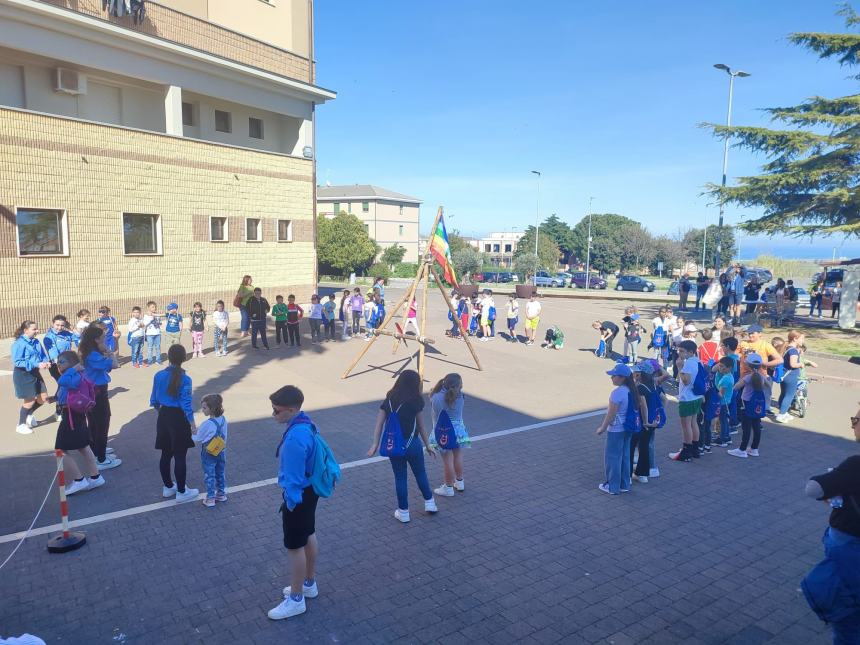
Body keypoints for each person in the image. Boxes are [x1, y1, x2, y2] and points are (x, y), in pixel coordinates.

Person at [801, 409, 860, 644]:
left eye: (856, 420)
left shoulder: (855, 465)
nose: (852, 425)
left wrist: (835, 481)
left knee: (848, 627)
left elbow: (814, 488)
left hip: (850, 546)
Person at [268, 385, 322, 620]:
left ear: (291, 410)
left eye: (277, 411)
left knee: (294, 546)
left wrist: (290, 503)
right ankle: (309, 583)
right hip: (311, 491)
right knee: (308, 533)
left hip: (298, 496)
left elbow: (292, 478)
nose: (273, 414)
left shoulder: (294, 439)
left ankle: (296, 599)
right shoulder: (306, 424)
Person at [366, 369, 437, 522]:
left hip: (395, 445)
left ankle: (403, 512)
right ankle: (430, 502)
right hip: (413, 443)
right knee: (420, 474)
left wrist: (375, 444)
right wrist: (428, 445)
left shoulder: (390, 398)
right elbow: (421, 426)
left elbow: (379, 423)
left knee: (400, 477)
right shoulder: (416, 400)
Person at [53, 351, 106, 495]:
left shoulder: (73, 374)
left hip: (71, 415)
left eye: (61, 361)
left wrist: (71, 370)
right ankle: (95, 476)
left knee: (60, 449)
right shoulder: (76, 374)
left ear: (71, 363)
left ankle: (79, 480)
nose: (58, 364)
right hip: (76, 413)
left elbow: (62, 382)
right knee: (83, 446)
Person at [151, 344, 198, 503]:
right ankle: (182, 491)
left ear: (169, 357)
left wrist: (162, 413)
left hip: (163, 416)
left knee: (165, 454)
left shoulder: (158, 375)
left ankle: (168, 486)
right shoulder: (186, 379)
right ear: (183, 358)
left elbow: (154, 400)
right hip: (178, 418)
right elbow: (186, 404)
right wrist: (192, 423)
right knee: (179, 455)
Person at [595, 363, 645, 494]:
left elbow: (611, 415)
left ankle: (612, 486)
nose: (611, 378)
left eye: (614, 376)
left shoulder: (617, 394)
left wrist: (602, 428)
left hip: (616, 429)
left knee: (613, 457)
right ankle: (624, 484)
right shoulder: (632, 390)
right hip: (629, 429)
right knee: (624, 456)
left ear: (622, 377)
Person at [78, 325, 121, 469]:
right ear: (96, 340)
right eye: (102, 339)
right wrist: (109, 352)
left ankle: (96, 451)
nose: (104, 341)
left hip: (94, 389)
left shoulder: (90, 352)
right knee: (102, 422)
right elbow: (115, 365)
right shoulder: (94, 355)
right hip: (96, 391)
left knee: (95, 422)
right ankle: (101, 458)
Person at [429, 373, 470, 496]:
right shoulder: (461, 396)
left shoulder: (435, 397)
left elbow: (433, 405)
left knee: (447, 461)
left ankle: (448, 487)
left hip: (443, 431)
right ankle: (460, 481)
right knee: (458, 456)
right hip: (458, 431)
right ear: (459, 385)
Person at [727, 353, 772, 459]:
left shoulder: (748, 377)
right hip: (757, 404)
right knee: (756, 426)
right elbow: (768, 386)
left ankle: (742, 449)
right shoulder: (761, 376)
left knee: (746, 427)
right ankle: (754, 448)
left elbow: (736, 387)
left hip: (746, 403)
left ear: (748, 365)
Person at [11, 321, 50, 435]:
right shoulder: (19, 344)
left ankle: (28, 415)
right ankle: (21, 424)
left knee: (43, 398)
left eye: (37, 329)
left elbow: (42, 355)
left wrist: (45, 362)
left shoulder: (36, 341)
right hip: (23, 374)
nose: (37, 331)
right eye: (34, 329)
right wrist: (37, 364)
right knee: (30, 401)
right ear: (25, 330)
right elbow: (17, 361)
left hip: (35, 372)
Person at [669, 340, 703, 462]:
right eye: (679, 350)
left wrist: (679, 367)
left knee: (686, 425)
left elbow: (686, 380)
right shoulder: (698, 361)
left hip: (687, 397)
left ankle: (686, 451)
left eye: (682, 351)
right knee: (694, 422)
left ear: (690, 352)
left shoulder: (688, 363)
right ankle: (695, 449)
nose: (679, 353)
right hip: (696, 396)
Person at [192, 393, 227, 508]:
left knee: (209, 475)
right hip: (221, 451)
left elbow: (198, 438)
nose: (202, 410)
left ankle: (211, 498)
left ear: (212, 409)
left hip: (208, 453)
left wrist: (190, 434)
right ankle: (221, 494)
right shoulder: (223, 420)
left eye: (204, 408)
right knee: (220, 473)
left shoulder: (206, 424)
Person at [44, 314, 78, 420]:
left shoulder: (66, 333)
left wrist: (71, 327)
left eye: (62, 325)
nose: (59, 327)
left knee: (64, 387)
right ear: (52, 323)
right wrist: (65, 366)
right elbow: (54, 355)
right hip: (57, 366)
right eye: (57, 325)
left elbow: (79, 336)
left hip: (69, 364)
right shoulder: (49, 337)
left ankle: (58, 404)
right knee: (63, 386)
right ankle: (58, 412)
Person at [630, 362, 658, 484]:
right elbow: (662, 400)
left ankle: (628, 473)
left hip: (642, 422)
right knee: (644, 447)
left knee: (631, 446)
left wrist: (645, 422)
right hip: (653, 420)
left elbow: (643, 406)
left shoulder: (640, 387)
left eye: (637, 372)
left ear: (642, 374)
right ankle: (642, 475)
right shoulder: (654, 385)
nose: (635, 374)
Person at [776, 330, 804, 423]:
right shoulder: (793, 351)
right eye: (802, 339)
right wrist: (801, 364)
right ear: (795, 339)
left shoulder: (787, 348)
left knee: (783, 394)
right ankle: (781, 414)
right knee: (789, 395)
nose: (803, 341)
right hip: (791, 376)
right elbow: (793, 364)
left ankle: (784, 412)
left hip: (784, 375)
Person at [712, 357, 736, 448]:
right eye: (720, 366)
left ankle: (722, 440)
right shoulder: (729, 376)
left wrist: (712, 399)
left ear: (729, 368)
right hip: (726, 402)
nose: (721, 368)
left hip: (722, 403)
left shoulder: (726, 379)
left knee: (722, 421)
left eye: (723, 367)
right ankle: (727, 437)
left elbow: (721, 394)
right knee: (724, 420)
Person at [142, 301, 162, 366]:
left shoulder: (157, 315)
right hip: (150, 334)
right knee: (150, 348)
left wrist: (158, 322)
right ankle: (150, 361)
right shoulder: (146, 316)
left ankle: (158, 360)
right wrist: (151, 317)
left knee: (158, 347)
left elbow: (159, 323)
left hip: (157, 333)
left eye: (155, 307)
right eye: (152, 307)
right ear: (148, 308)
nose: (154, 308)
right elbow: (145, 324)